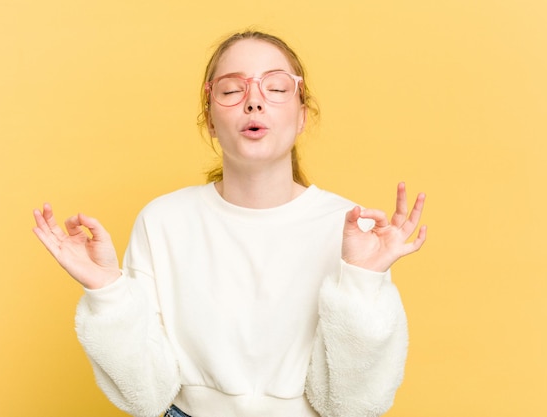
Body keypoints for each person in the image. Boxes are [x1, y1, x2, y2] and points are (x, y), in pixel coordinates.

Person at [32, 30, 427, 417]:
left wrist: (362, 280)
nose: (254, 101)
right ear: (209, 120)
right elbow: (145, 397)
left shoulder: (350, 229)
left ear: (302, 115)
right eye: (231, 90)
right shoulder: (163, 221)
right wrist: (107, 292)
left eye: (275, 87)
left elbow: (354, 408)